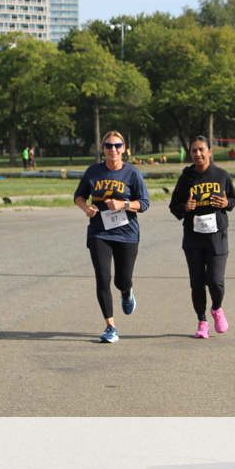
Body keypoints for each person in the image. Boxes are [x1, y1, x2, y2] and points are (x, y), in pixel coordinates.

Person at [73, 131, 150, 343]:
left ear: (124, 148)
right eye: (108, 145)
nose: (113, 149)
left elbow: (144, 203)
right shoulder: (93, 171)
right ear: (103, 149)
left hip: (127, 234)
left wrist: (122, 204)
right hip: (99, 232)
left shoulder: (132, 173)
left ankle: (126, 291)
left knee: (122, 279)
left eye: (117, 145)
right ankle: (110, 326)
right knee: (103, 278)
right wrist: (86, 208)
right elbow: (79, 196)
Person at [169, 136, 235, 339]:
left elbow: (233, 199)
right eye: (194, 151)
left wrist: (226, 204)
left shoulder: (221, 175)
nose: (197, 154)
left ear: (209, 151)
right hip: (193, 238)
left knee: (215, 281)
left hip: (216, 236)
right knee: (197, 282)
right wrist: (185, 207)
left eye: (201, 149)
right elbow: (174, 206)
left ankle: (216, 308)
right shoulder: (186, 179)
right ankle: (202, 321)